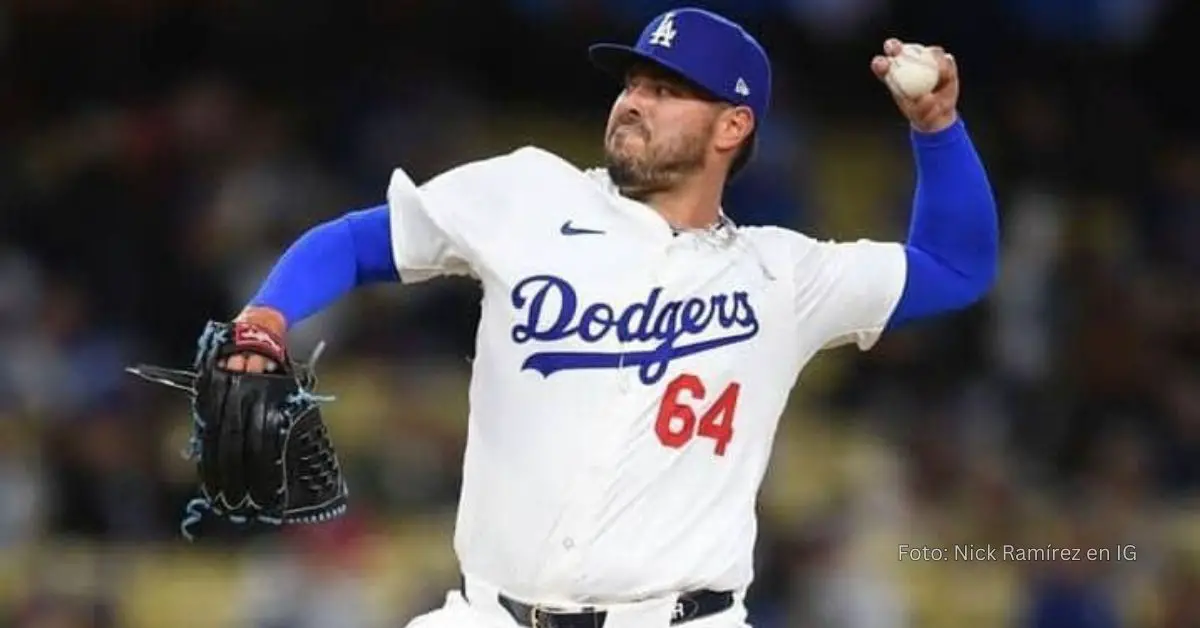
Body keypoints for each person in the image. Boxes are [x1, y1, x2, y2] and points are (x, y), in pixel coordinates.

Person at [218, 7, 999, 628]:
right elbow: (356, 243)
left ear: (733, 125)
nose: (633, 100)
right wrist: (266, 319)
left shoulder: (782, 275)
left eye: (665, 89)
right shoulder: (528, 193)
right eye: (632, 81)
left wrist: (937, 130)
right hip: (489, 615)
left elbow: (955, 268)